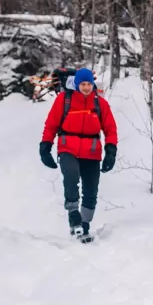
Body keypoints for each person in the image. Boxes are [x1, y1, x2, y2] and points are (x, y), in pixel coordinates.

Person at [39, 68, 118, 240]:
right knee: (71, 177)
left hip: (92, 150)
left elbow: (110, 129)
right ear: (76, 84)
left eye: (89, 84)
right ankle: (73, 213)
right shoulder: (64, 100)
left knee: (90, 190)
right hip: (68, 147)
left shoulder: (100, 103)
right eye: (83, 84)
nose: (86, 87)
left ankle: (84, 225)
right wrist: (45, 146)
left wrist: (111, 151)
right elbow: (51, 124)